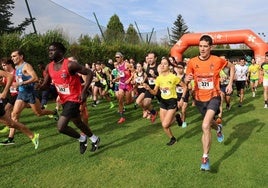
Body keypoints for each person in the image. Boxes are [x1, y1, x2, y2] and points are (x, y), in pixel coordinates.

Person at [40, 42, 100, 154]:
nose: (50, 52)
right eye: (49, 50)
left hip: (74, 99)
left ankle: (82, 139)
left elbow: (89, 73)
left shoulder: (70, 65)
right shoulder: (49, 67)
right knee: (78, 122)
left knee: (61, 127)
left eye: (53, 50)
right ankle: (95, 139)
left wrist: (83, 91)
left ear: (60, 52)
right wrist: (39, 86)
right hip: (64, 99)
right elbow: (46, 85)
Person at [185, 35, 234, 171]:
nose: (202, 49)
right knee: (210, 124)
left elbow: (232, 67)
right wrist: (187, 78)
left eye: (205, 46)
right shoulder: (192, 62)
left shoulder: (217, 60)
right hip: (199, 99)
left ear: (210, 47)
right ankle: (218, 128)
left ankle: (205, 158)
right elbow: (186, 79)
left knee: (205, 125)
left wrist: (230, 84)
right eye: (200, 46)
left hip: (214, 96)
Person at [2, 49, 57, 144]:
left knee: (39, 113)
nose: (12, 58)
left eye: (14, 56)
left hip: (30, 94)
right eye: (11, 56)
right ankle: (11, 138)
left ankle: (54, 112)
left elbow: (35, 78)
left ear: (21, 56)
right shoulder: (16, 67)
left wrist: (21, 83)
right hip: (21, 94)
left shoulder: (26, 66)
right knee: (14, 115)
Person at [144, 57, 186, 146]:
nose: (162, 65)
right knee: (164, 125)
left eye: (165, 64)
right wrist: (148, 88)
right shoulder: (159, 78)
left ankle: (177, 117)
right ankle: (172, 138)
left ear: (169, 66)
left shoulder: (173, 77)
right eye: (161, 64)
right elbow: (155, 92)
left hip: (172, 102)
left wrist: (182, 98)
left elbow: (184, 87)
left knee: (165, 124)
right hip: (163, 102)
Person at [0, 67, 39, 149]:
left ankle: (32, 135)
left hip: (21, 94)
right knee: (10, 122)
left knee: (11, 123)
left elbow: (10, 76)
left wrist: (4, 92)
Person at [0, 58, 18, 143]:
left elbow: (20, 83)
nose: (3, 67)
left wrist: (14, 84)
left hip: (19, 94)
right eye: (2, 65)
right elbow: (5, 84)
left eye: (4, 65)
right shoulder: (6, 74)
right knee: (38, 111)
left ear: (9, 64)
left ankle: (9, 126)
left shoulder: (16, 72)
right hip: (12, 95)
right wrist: (2, 83)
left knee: (10, 112)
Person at [115, 52, 134, 124]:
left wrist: (129, 79)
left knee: (128, 102)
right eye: (116, 57)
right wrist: (116, 78)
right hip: (121, 84)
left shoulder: (127, 64)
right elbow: (121, 74)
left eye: (118, 57)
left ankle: (134, 98)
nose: (116, 59)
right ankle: (122, 117)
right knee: (120, 99)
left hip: (128, 84)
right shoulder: (117, 66)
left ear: (122, 57)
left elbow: (133, 72)